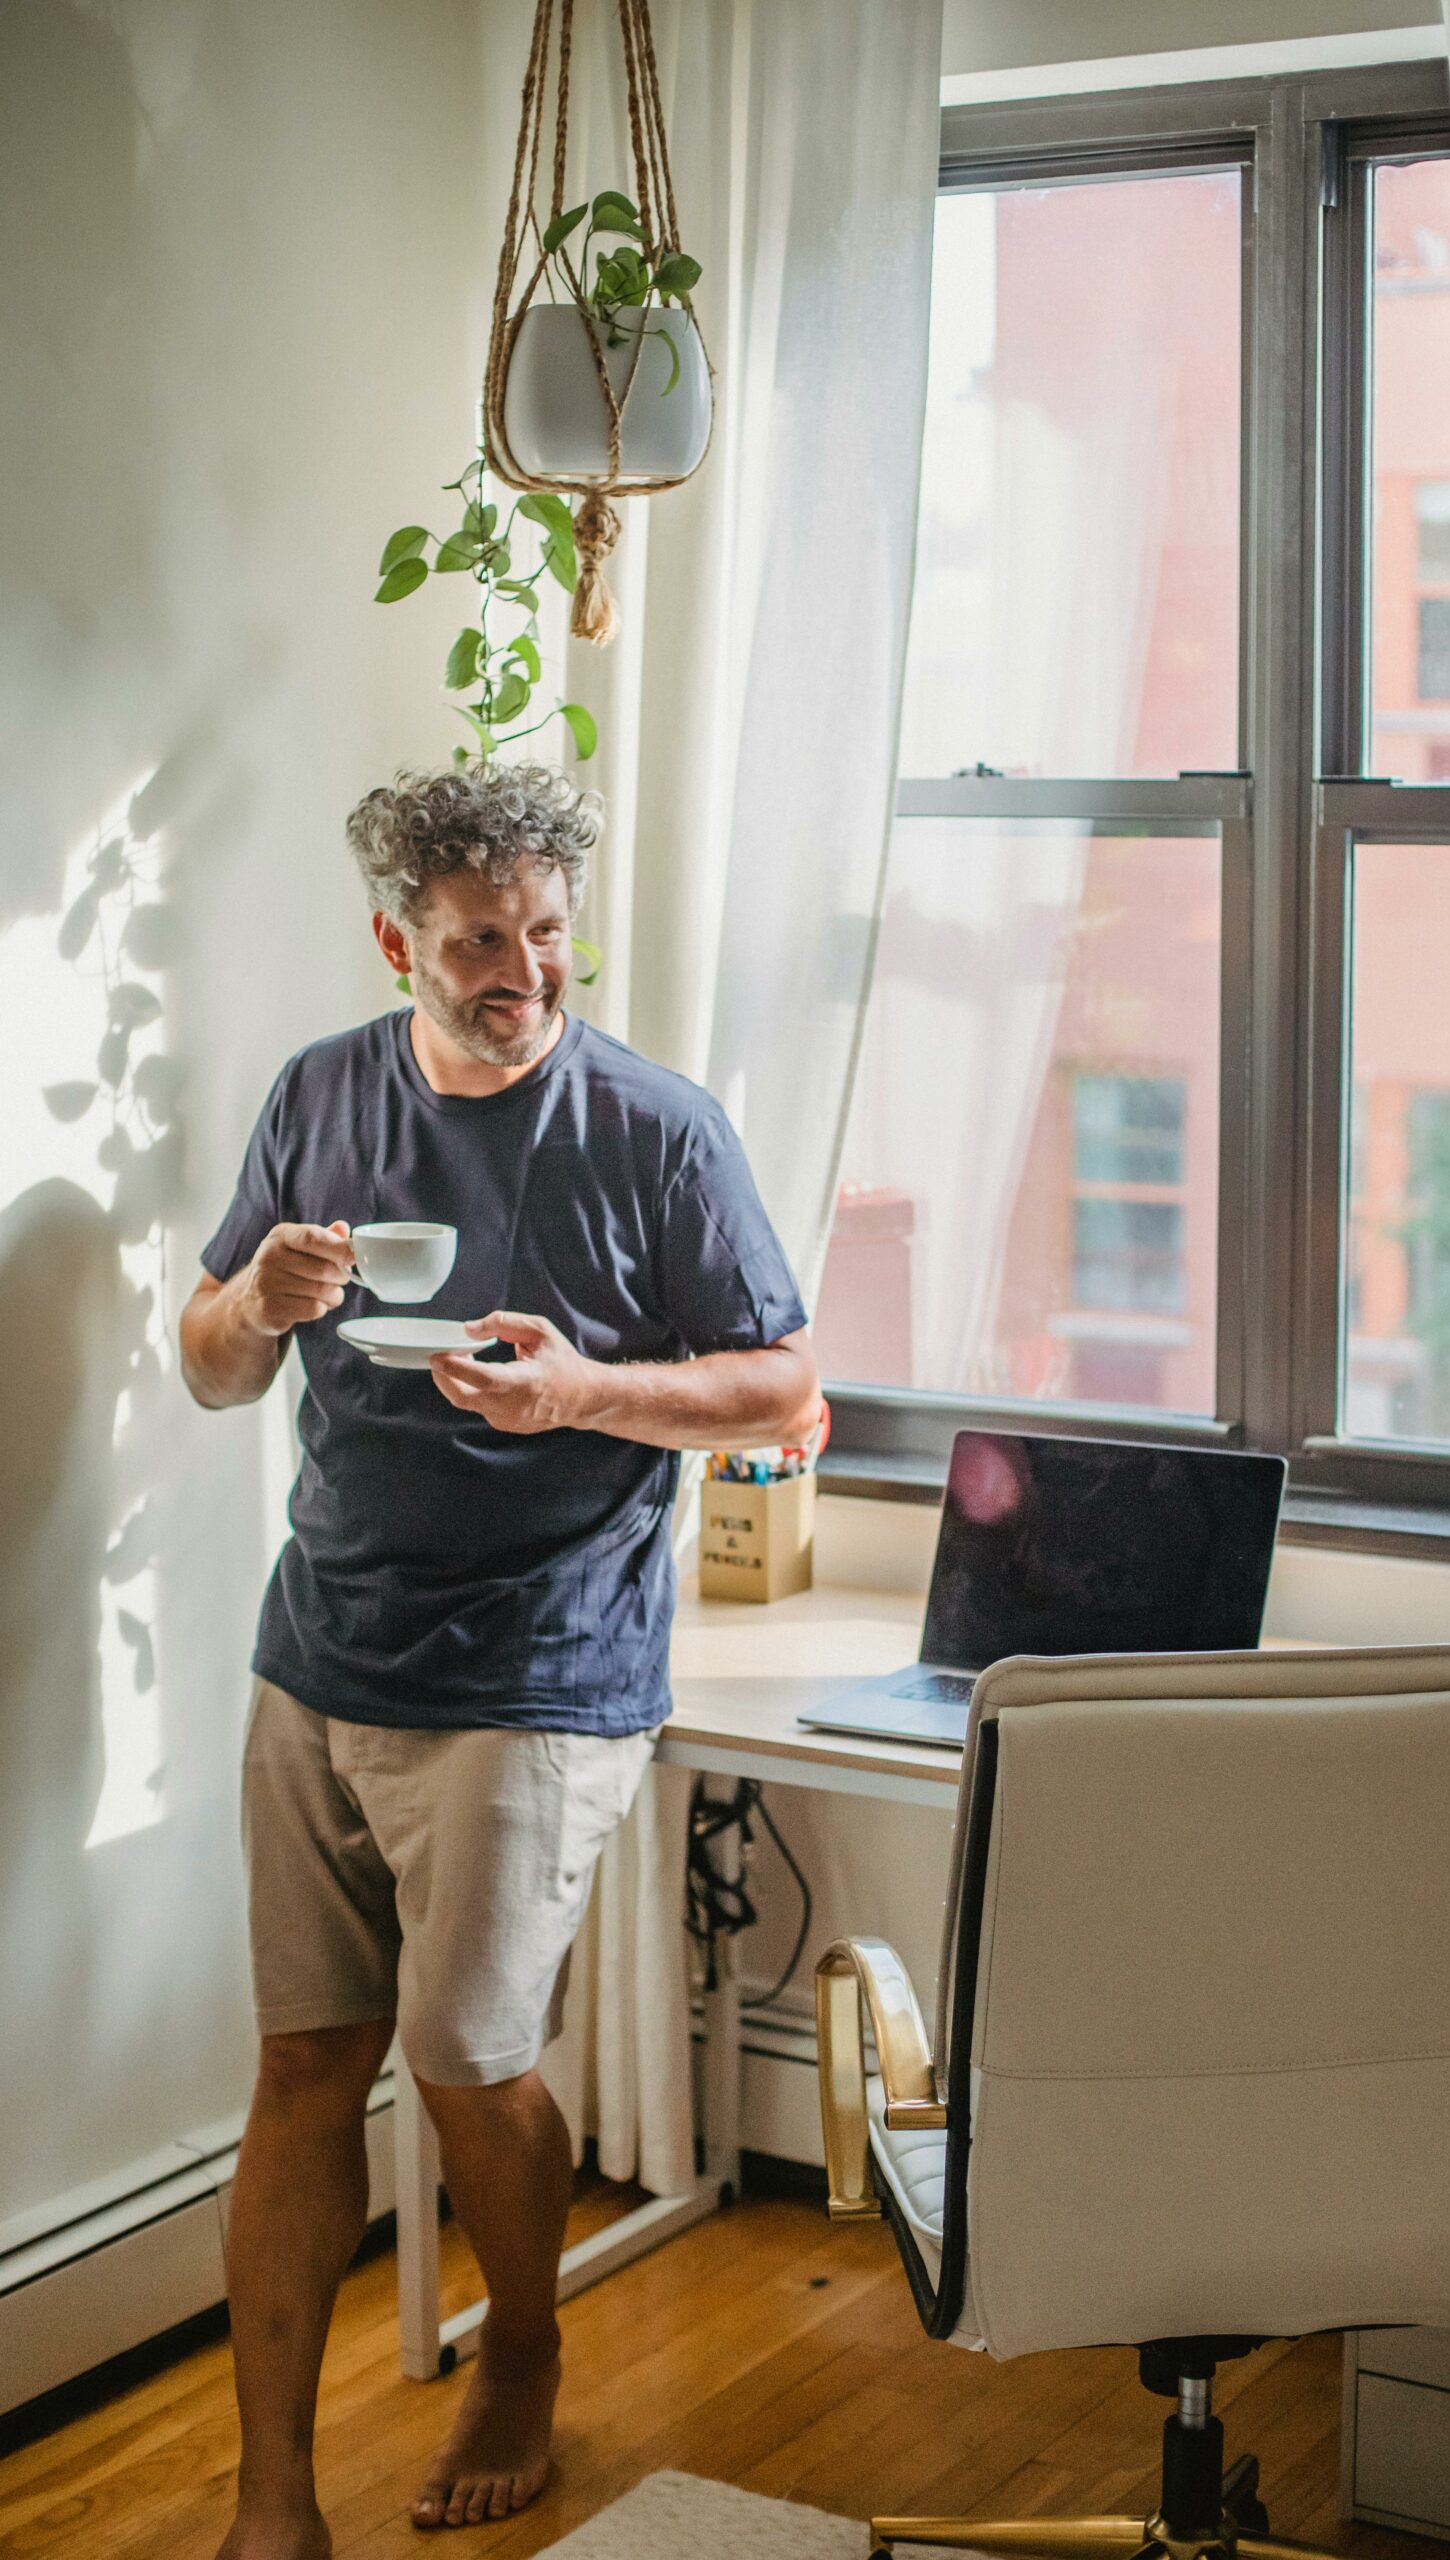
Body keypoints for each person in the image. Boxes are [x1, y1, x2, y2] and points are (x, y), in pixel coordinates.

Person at [180, 764, 820, 2557]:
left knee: (463, 2060)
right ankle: (272, 2499)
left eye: (547, 935)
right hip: (322, 1647)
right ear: (400, 940)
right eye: (480, 940)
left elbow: (782, 1386)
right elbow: (212, 1362)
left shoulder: (657, 1130)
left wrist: (582, 1395)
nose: (523, 971)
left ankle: (521, 2348)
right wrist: (259, 1306)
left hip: (542, 1659)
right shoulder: (321, 1094)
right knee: (306, 2065)